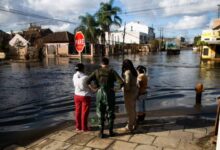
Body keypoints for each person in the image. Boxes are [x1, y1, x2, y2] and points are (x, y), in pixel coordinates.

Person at [87, 57, 123, 138]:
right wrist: (115, 89)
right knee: (110, 112)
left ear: (101, 64)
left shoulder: (96, 71)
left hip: (99, 93)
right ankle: (110, 132)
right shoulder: (112, 71)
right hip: (110, 93)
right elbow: (121, 82)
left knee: (100, 112)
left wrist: (93, 89)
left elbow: (87, 81)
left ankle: (101, 133)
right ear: (108, 64)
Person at [73, 63, 91, 132]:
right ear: (83, 69)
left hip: (76, 95)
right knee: (84, 112)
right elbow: (90, 87)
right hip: (85, 96)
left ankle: (78, 127)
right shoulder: (86, 77)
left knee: (77, 111)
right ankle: (84, 128)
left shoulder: (74, 75)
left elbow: (75, 85)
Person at [122, 59, 139, 132]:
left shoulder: (127, 72)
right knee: (133, 109)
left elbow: (127, 84)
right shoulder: (134, 71)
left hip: (129, 93)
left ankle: (130, 126)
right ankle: (134, 123)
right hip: (135, 91)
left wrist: (123, 88)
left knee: (129, 110)